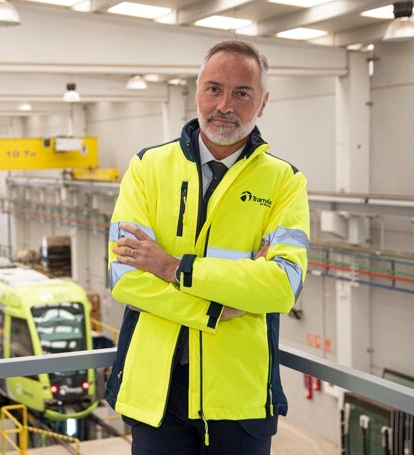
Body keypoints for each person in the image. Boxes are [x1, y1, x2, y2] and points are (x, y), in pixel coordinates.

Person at [105, 39, 310, 454]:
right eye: (214, 89)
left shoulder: (284, 182)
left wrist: (172, 267)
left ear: (263, 102)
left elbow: (282, 286)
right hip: (157, 392)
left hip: (239, 395)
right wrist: (218, 308)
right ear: (196, 92)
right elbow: (125, 278)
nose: (225, 105)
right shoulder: (147, 168)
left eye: (242, 93)